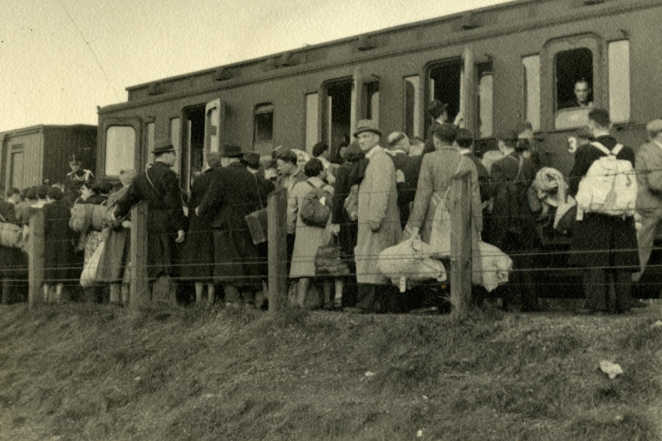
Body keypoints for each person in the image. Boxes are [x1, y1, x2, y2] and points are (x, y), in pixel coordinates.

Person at [568, 108, 638, 314]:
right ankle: (623, 306)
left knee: (594, 260)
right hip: (621, 214)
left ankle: (597, 306)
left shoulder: (586, 151)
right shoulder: (627, 151)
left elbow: (573, 184)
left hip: (594, 216)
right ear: (609, 124)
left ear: (591, 125)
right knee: (621, 261)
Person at [196, 144, 270, 308]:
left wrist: (199, 210)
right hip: (249, 226)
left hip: (225, 226)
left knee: (228, 265)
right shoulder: (251, 176)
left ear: (226, 159)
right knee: (248, 262)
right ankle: (249, 302)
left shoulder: (221, 173)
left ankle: (232, 301)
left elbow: (211, 199)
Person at [114, 140, 186, 287]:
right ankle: (167, 295)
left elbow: (130, 197)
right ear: (165, 155)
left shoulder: (143, 176)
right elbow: (174, 203)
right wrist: (180, 226)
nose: (175, 158)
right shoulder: (169, 174)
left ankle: (154, 293)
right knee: (169, 257)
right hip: (168, 220)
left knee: (155, 257)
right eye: (173, 154)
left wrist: (117, 211)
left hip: (151, 220)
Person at [407, 123, 482, 252]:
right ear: (454, 141)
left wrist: (415, 227)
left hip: (434, 217)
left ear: (436, 140)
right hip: (461, 216)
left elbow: (422, 195)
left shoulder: (429, 159)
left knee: (435, 258)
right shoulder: (468, 162)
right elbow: (475, 198)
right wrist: (478, 227)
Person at [352, 120, 401, 313]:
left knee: (372, 260)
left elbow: (381, 192)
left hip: (376, 221)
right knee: (373, 260)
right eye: (359, 137)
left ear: (376, 138)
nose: (361, 140)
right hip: (374, 221)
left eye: (366, 136)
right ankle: (375, 304)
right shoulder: (375, 158)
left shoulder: (379, 159)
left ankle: (368, 304)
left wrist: (374, 219)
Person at [489, 130, 539, 311]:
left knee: (508, 259)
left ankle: (512, 303)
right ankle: (531, 302)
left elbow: (493, 192)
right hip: (526, 217)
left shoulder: (498, 165)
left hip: (508, 219)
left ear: (502, 144)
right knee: (526, 260)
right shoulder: (528, 164)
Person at [288, 158, 339, 308]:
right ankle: (328, 301)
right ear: (321, 171)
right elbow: (333, 211)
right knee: (325, 266)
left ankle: (300, 302)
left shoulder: (299, 187)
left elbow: (291, 211)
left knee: (304, 269)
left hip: (303, 232)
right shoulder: (329, 189)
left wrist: (290, 229)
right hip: (324, 232)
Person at [181, 153, 222, 304]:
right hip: (215, 224)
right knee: (212, 261)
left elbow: (192, 203)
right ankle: (211, 298)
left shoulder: (199, 180)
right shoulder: (221, 177)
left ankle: (199, 299)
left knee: (199, 263)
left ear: (207, 164)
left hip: (199, 225)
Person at [330, 142, 365, 308]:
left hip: (345, 218)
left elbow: (338, 198)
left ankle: (347, 299)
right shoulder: (363, 169)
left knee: (347, 257)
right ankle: (360, 297)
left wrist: (335, 221)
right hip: (361, 217)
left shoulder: (343, 170)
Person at [97, 169, 137, 305]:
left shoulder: (115, 196)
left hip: (117, 235)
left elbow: (107, 218)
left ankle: (114, 301)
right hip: (133, 234)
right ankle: (129, 301)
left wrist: (118, 224)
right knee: (129, 266)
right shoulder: (139, 195)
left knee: (116, 267)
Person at [633, 119, 662, 282]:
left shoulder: (653, 150)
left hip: (652, 205)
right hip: (651, 206)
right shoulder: (652, 152)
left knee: (642, 248)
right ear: (659, 135)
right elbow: (656, 183)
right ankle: (628, 291)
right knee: (642, 249)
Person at [43, 186, 78, 303]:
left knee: (49, 266)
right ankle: (58, 297)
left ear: (49, 196)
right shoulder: (67, 208)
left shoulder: (46, 207)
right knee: (62, 266)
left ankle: (45, 297)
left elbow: (45, 227)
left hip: (50, 242)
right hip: (64, 242)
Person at [276, 149, 307, 270]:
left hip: (299, 224)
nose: (279, 168)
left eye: (280, 165)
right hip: (284, 224)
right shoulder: (280, 179)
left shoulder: (304, 177)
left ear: (289, 164)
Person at [386, 131, 423, 227]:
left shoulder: (383, 160)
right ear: (404, 144)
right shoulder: (415, 161)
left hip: (385, 216)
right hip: (406, 217)